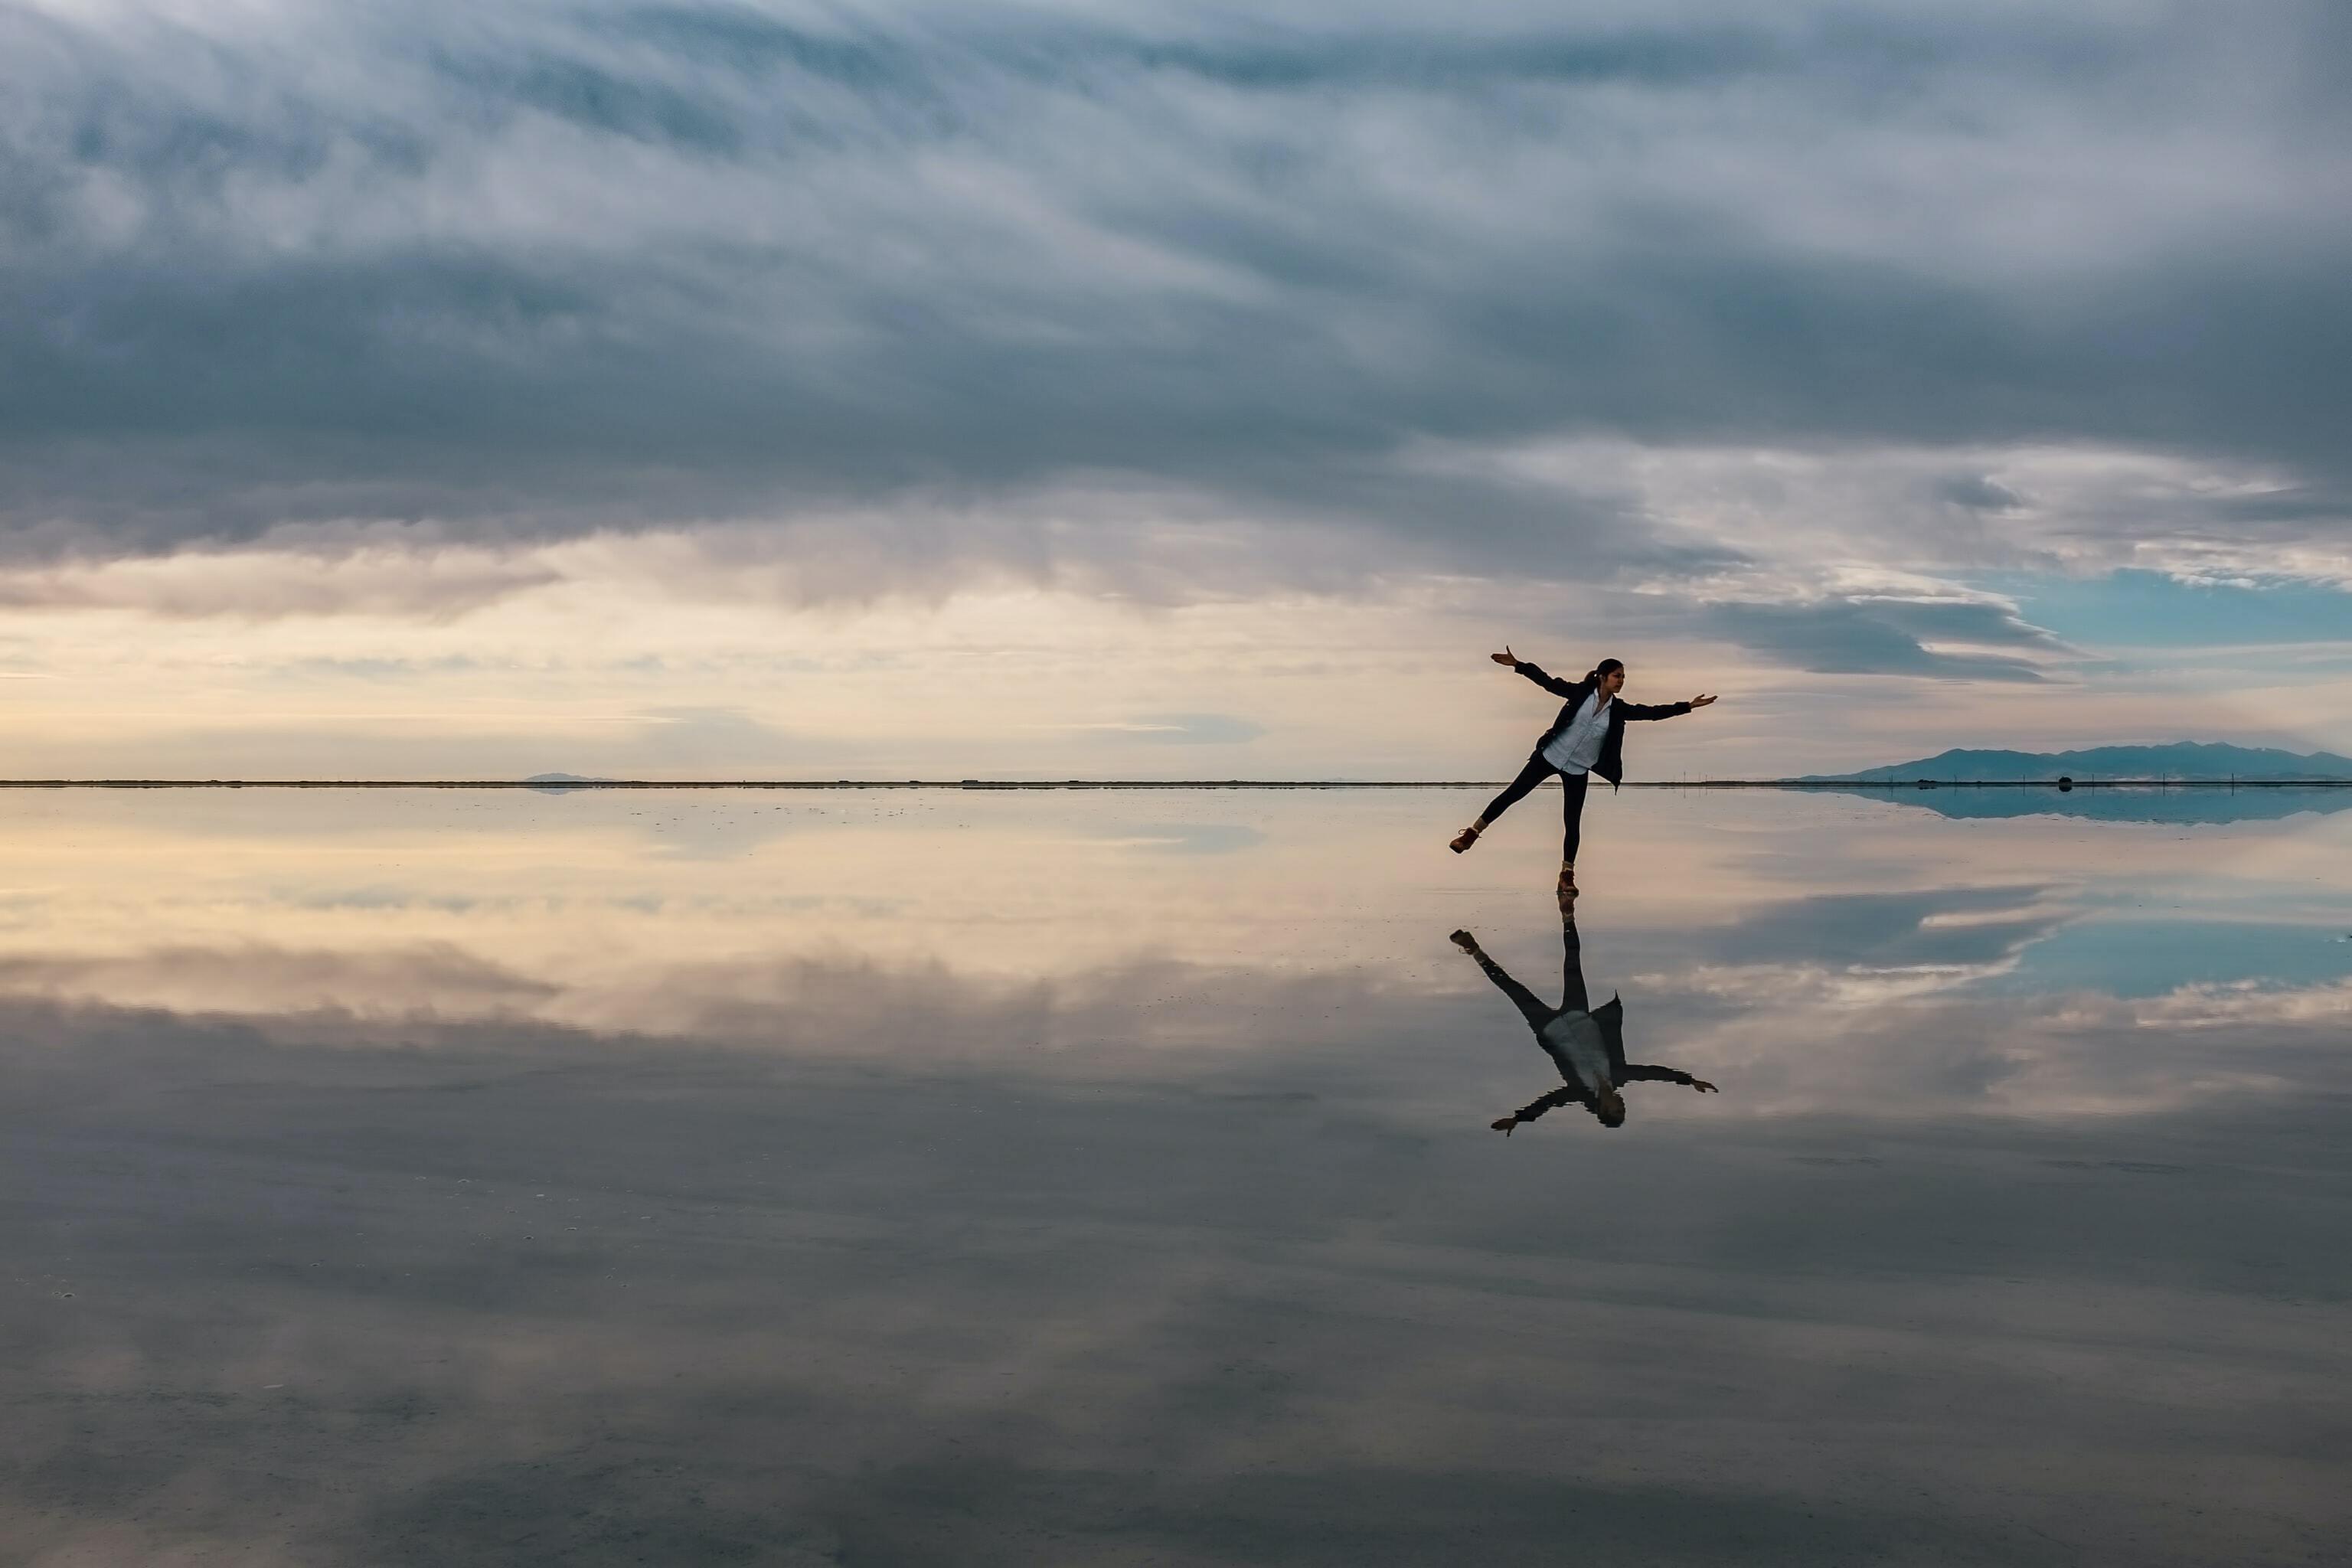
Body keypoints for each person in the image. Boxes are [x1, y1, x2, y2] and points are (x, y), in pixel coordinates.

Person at [1450, 648, 1716, 898]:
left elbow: (1651, 713)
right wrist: (1519, 665)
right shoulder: (1579, 694)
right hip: (1551, 754)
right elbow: (1548, 682)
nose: (1621, 681)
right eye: (1617, 676)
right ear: (1602, 677)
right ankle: (1470, 835)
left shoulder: (1618, 710)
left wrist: (1687, 706)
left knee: (1572, 821)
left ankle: (1567, 875)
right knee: (1512, 795)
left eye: (1623, 677)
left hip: (1578, 767)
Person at [1449, 913, 1717, 1132]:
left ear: (1601, 1110)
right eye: (1622, 1109)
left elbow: (1549, 1102)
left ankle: (1475, 951)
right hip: (1580, 1016)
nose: (1621, 1105)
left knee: (1512, 989)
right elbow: (1651, 1072)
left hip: (1550, 1029)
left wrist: (1520, 1119)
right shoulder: (1620, 1075)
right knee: (1573, 963)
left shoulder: (1577, 1091)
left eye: (1615, 1110)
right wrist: (1688, 1079)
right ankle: (1568, 915)